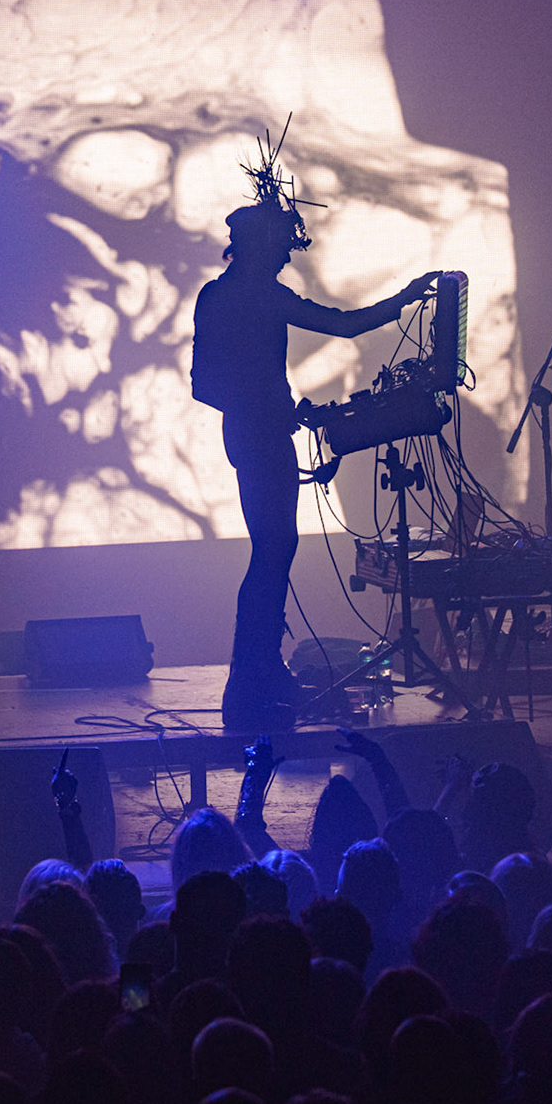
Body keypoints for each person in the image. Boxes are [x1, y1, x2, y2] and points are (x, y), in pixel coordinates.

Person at [190, 159, 437, 729]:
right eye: (281, 246)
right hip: (260, 436)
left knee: (272, 553)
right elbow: (344, 326)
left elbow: (210, 384)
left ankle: (255, 673)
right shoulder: (260, 296)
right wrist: (404, 298)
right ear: (259, 247)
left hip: (255, 433)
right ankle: (252, 675)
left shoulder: (219, 295)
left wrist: (276, 407)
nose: (286, 255)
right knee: (273, 553)